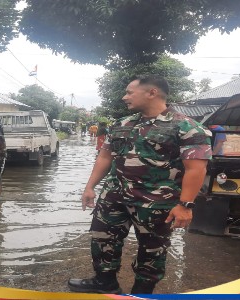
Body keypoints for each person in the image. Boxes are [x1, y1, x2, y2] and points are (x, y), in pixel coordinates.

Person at [68, 75, 212, 294]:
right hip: (114, 196)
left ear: (151, 92)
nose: (124, 97)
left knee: (152, 249)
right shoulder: (122, 123)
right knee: (102, 237)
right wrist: (90, 187)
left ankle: (141, 293)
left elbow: (196, 169)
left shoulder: (187, 127)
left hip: (156, 201)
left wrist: (185, 205)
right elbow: (105, 157)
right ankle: (104, 283)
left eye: (129, 92)